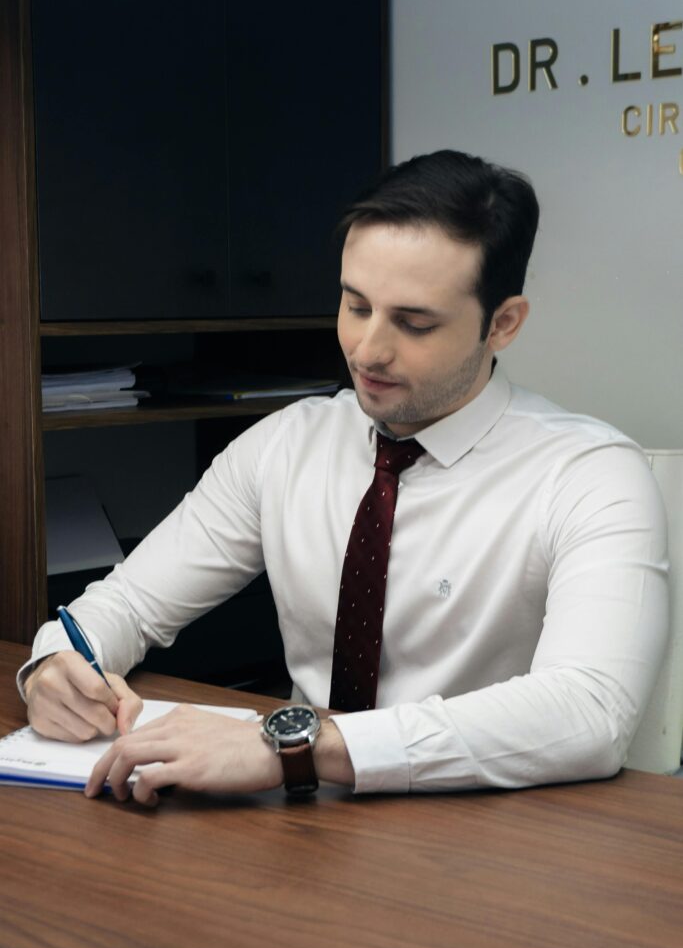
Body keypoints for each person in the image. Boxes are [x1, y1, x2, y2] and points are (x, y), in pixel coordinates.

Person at [19, 150, 669, 806]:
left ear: (502, 323)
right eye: (355, 306)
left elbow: (589, 714)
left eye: (413, 323)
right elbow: (124, 606)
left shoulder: (589, 475)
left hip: (487, 837)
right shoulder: (288, 444)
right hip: (301, 824)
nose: (367, 350)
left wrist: (291, 746)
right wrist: (55, 664)